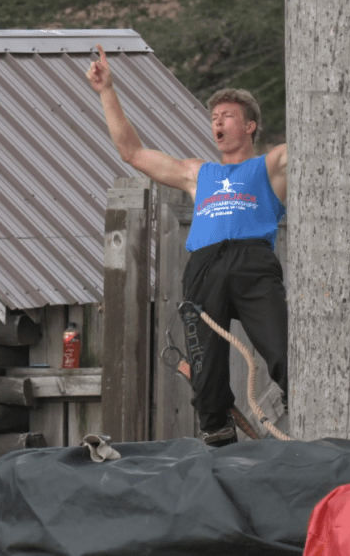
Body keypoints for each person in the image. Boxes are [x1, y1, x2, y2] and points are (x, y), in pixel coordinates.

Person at [86, 45, 288, 446]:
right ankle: (218, 432)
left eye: (227, 115)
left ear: (249, 126)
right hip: (206, 265)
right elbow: (132, 152)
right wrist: (107, 91)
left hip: (253, 261)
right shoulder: (198, 173)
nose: (217, 120)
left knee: (282, 347)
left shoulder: (268, 166)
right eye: (214, 116)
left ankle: (311, 412)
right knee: (205, 367)